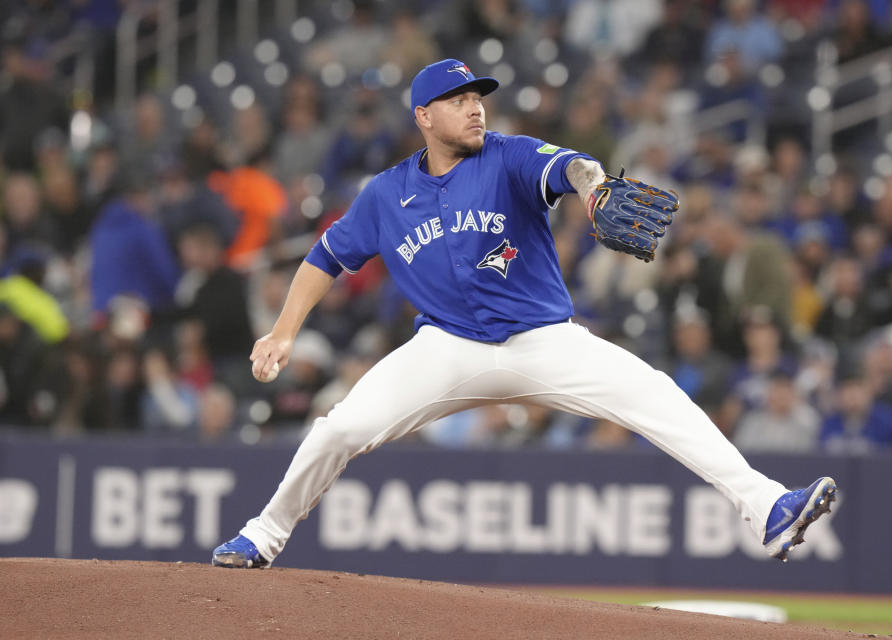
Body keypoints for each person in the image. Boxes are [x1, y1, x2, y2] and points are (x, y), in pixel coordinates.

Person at [213, 59, 837, 569]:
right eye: (458, 99)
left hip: (543, 339)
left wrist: (592, 187)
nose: (475, 106)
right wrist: (284, 329)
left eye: (478, 96)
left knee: (656, 395)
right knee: (340, 429)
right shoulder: (385, 193)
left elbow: (568, 165)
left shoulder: (509, 155)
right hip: (447, 349)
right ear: (423, 116)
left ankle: (769, 507)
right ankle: (263, 535)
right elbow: (326, 256)